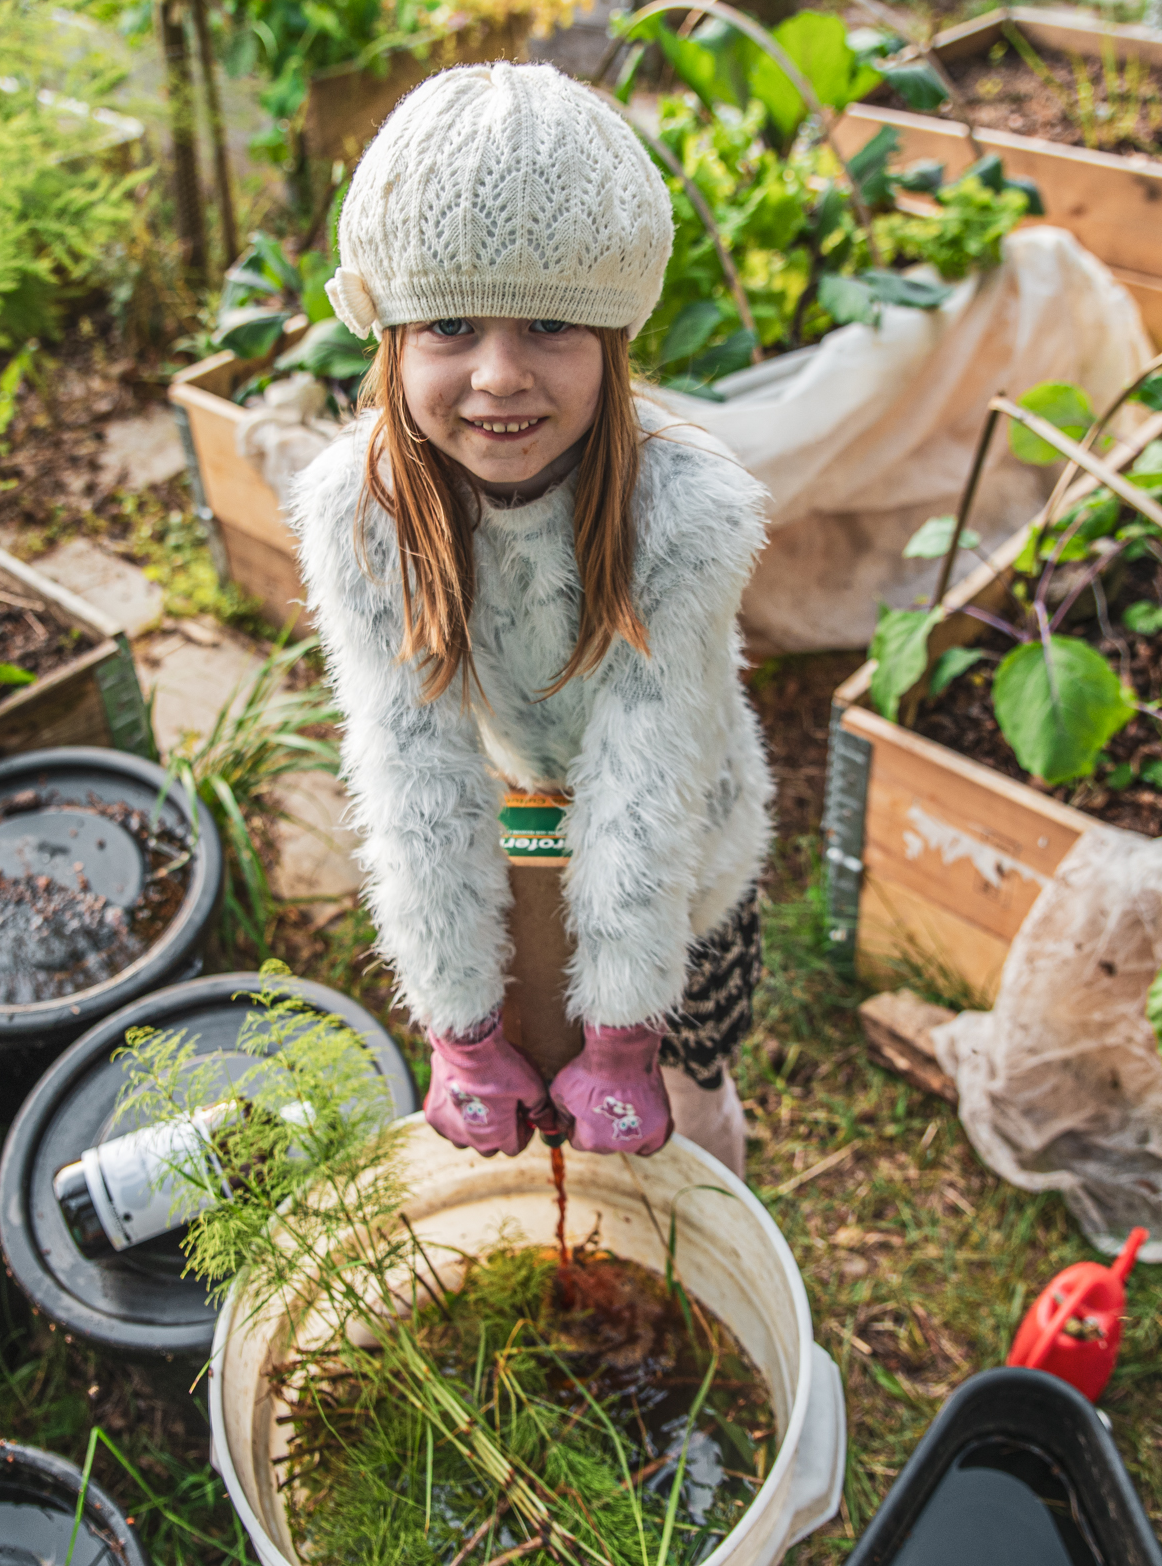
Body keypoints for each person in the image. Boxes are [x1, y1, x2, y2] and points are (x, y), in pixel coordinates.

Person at [292, 61, 772, 1175]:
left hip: (684, 849)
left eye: (551, 324)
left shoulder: (683, 512)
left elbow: (651, 774)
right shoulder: (361, 516)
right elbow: (410, 766)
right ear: (391, 337)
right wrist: (459, 1029)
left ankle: (717, 1207)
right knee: (521, 1064)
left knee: (684, 1097)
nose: (499, 376)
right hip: (508, 825)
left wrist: (625, 1035)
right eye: (451, 324)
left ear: (612, 338)